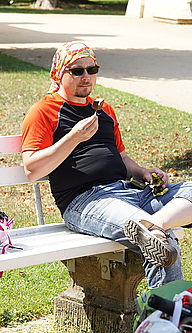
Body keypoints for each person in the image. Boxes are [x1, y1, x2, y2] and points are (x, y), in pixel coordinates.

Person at [21, 41, 192, 289]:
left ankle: (153, 226)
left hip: (129, 192)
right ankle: (165, 320)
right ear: (59, 73)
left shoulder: (104, 110)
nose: (86, 77)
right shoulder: (43, 112)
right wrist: (73, 138)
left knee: (164, 222)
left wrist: (143, 172)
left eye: (92, 69)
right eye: (77, 71)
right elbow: (32, 170)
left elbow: (121, 157)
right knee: (162, 245)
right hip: (85, 201)